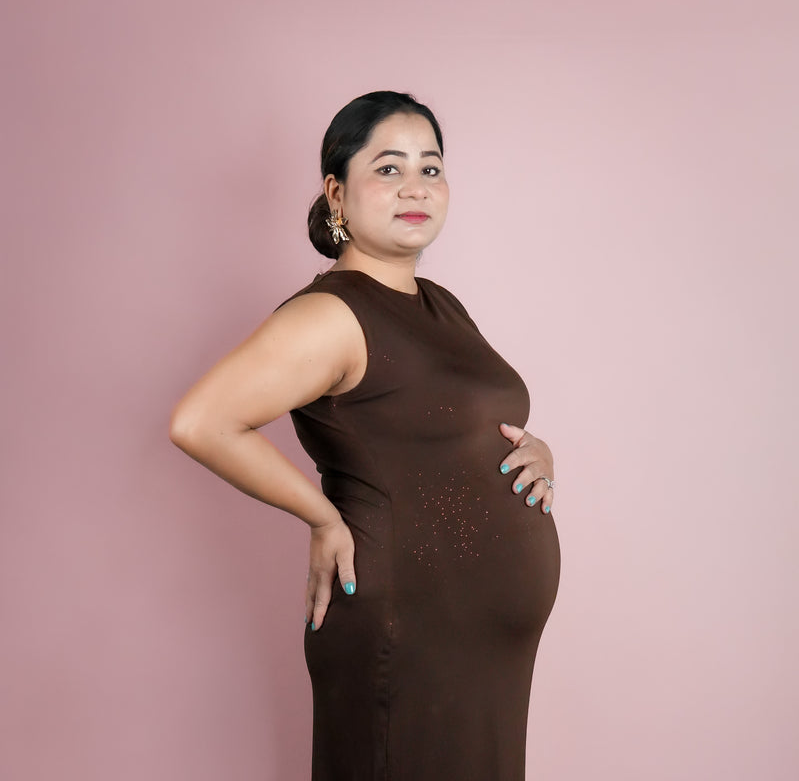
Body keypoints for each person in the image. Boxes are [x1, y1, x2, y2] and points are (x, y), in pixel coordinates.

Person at [169, 91, 560, 780]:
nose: (416, 186)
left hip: (480, 648)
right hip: (407, 634)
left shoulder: (440, 304)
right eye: (388, 168)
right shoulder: (331, 314)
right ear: (336, 194)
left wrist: (538, 452)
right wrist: (321, 517)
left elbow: (452, 422)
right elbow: (201, 422)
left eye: (430, 168)